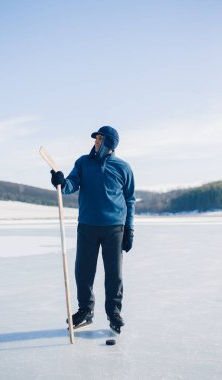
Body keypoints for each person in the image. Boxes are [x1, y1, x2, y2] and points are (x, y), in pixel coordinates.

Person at [51, 126, 135, 333]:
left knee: (114, 274)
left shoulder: (123, 168)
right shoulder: (83, 162)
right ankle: (85, 311)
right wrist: (61, 182)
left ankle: (114, 312)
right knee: (83, 271)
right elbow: (71, 184)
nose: (96, 142)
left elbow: (130, 200)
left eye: (100, 139)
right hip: (87, 226)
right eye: (96, 138)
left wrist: (129, 229)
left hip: (114, 228)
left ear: (110, 144)